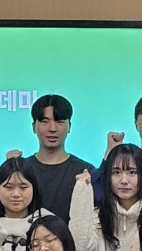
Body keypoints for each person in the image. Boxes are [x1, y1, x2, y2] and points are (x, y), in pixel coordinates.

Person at [24, 94, 96, 222]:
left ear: (70, 127)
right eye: (45, 121)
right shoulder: (21, 169)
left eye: (60, 121)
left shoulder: (85, 172)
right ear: (33, 126)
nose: (52, 128)